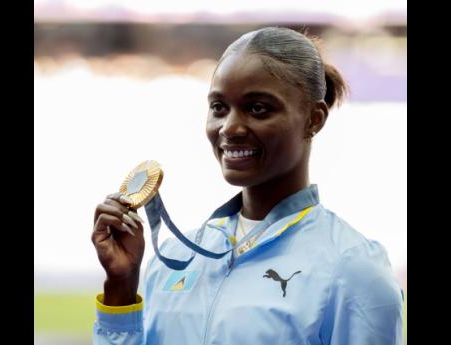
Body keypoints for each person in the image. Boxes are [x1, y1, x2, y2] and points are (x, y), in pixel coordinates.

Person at [91, 27, 404, 345]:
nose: (230, 128)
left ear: (314, 118)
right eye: (219, 108)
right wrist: (121, 287)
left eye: (257, 108)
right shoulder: (175, 257)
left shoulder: (352, 269)